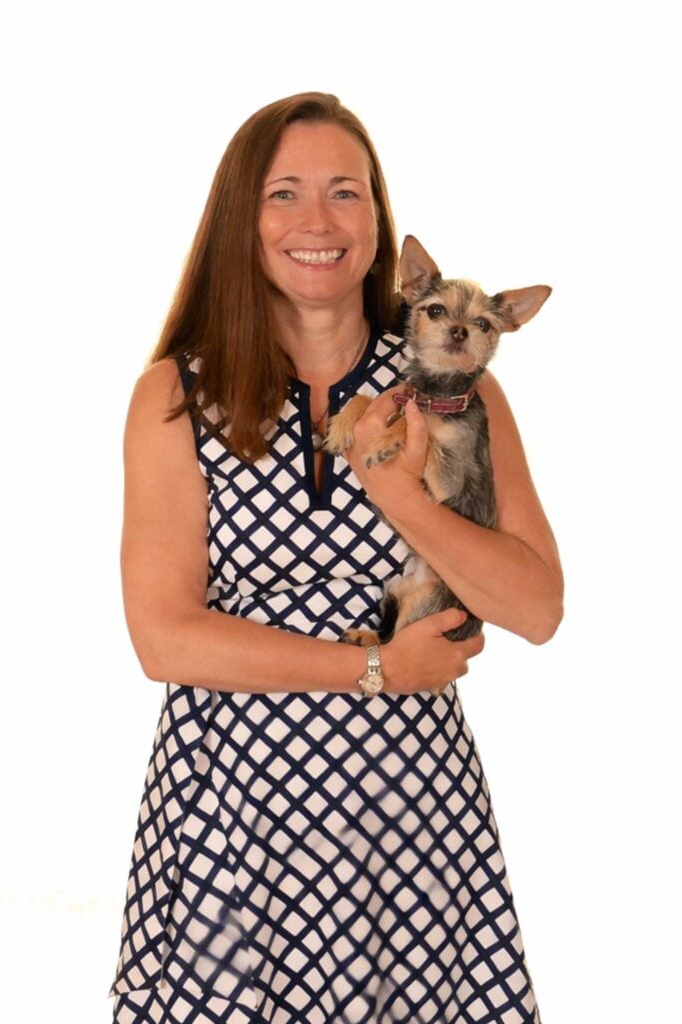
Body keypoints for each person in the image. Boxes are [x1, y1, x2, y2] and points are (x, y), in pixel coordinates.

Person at [109, 92, 563, 1024]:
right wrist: (374, 668)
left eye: (344, 193)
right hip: (233, 809)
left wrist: (397, 490)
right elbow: (163, 638)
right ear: (244, 218)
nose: (317, 223)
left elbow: (536, 608)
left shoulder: (461, 393)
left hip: (408, 808)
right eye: (284, 194)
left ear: (379, 227)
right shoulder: (174, 397)